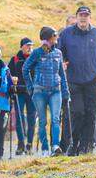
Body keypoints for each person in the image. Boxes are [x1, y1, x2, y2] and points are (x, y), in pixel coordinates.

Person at [57, 5, 96, 156]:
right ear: (77, 16)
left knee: (90, 113)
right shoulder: (67, 34)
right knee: (77, 112)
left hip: (92, 80)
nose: (83, 17)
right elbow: (60, 52)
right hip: (73, 80)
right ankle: (75, 143)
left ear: (89, 17)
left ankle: (86, 147)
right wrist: (63, 62)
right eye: (81, 15)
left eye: (86, 15)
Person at [24, 26, 70, 156]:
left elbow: (62, 73)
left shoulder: (58, 53)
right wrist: (30, 88)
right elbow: (25, 68)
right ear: (49, 38)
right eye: (55, 35)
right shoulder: (37, 53)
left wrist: (66, 92)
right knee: (43, 121)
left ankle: (55, 146)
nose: (57, 38)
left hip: (56, 90)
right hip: (39, 92)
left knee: (56, 119)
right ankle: (44, 148)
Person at [7, 38, 36, 155]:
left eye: (31, 45)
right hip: (19, 93)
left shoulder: (35, 58)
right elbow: (8, 74)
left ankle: (29, 143)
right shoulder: (15, 59)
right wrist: (12, 83)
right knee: (19, 119)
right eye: (27, 45)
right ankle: (20, 143)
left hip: (32, 93)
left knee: (32, 118)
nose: (29, 47)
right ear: (22, 47)